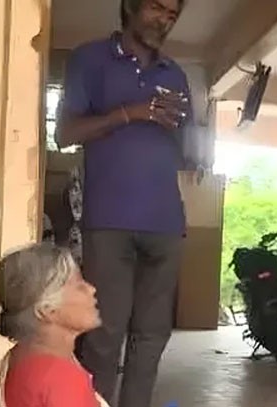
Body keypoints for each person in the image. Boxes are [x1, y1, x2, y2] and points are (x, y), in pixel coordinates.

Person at [57, 0, 199, 406]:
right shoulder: (90, 59)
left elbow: (188, 152)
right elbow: (65, 134)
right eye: (157, 8)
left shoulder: (175, 74)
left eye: (172, 15)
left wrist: (192, 143)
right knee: (103, 336)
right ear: (131, 6)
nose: (165, 20)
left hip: (166, 223)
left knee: (152, 338)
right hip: (109, 222)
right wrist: (131, 113)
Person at [0, 243, 108, 407]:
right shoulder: (61, 378)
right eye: (79, 286)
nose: (91, 289)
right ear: (47, 310)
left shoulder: (20, 357)